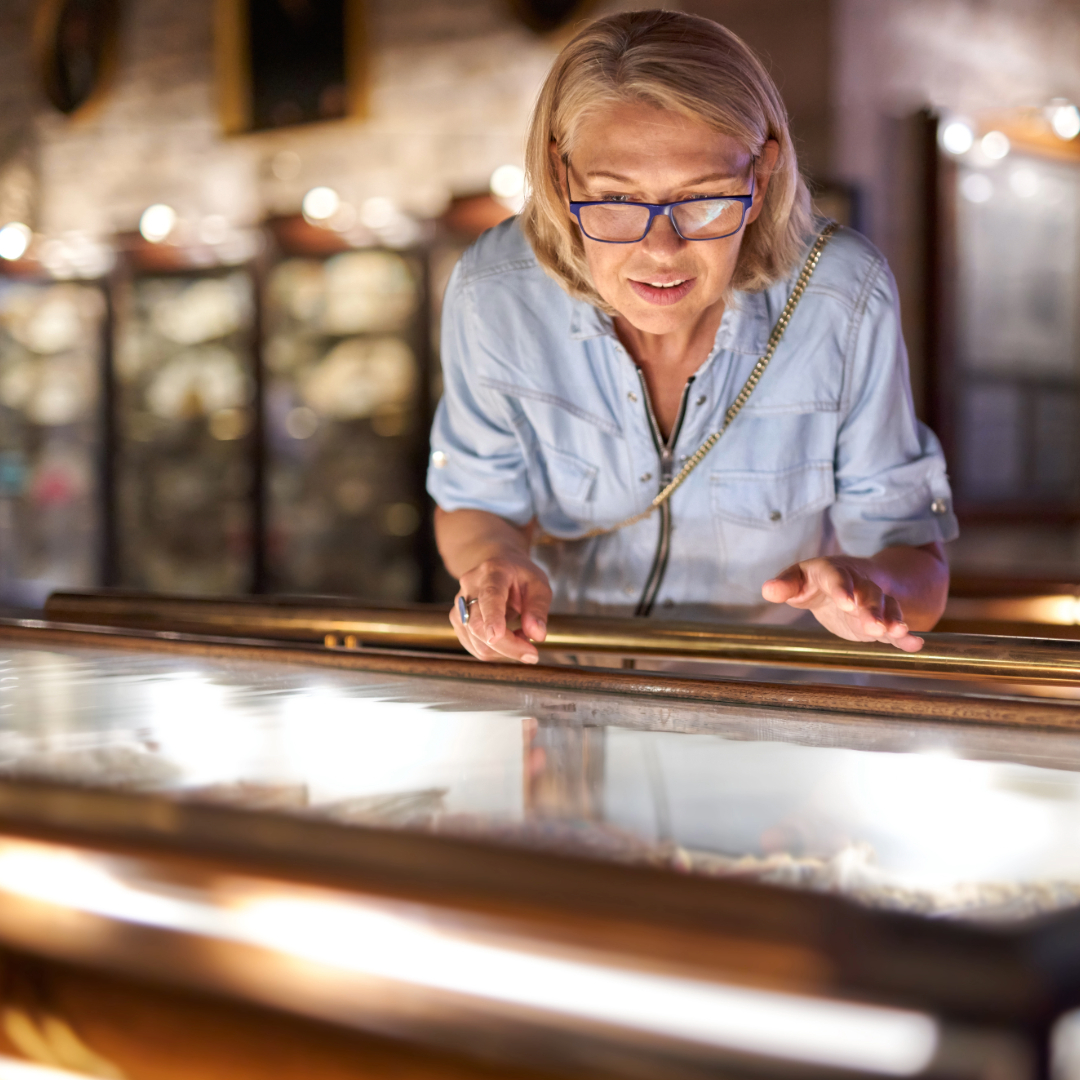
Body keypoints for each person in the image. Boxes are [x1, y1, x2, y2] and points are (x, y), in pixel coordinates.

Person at [427, 9, 957, 665]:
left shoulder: (841, 295)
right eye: (617, 200)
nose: (661, 249)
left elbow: (919, 571)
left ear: (760, 179)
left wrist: (870, 587)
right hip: (571, 693)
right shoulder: (494, 292)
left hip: (769, 701)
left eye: (703, 199)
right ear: (562, 179)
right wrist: (494, 562)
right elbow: (474, 504)